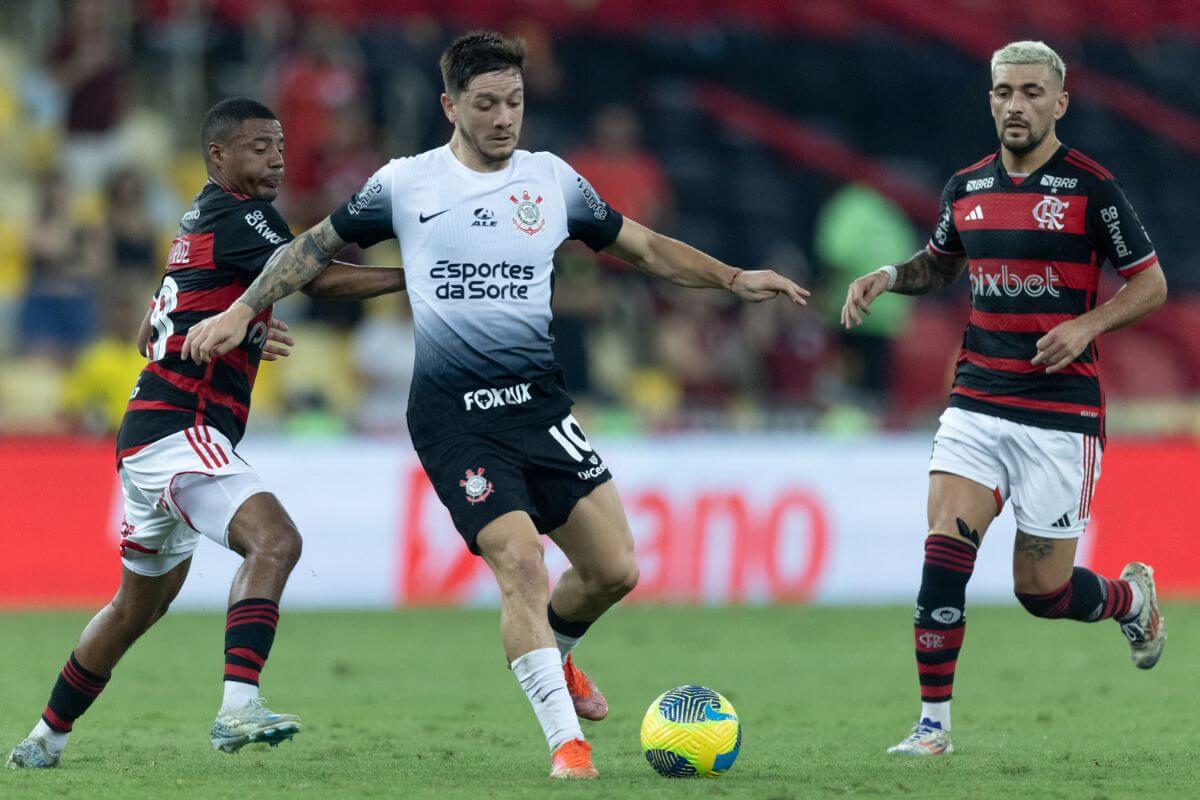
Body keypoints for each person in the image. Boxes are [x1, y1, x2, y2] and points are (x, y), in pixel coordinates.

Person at [180, 32, 809, 780]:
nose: (505, 116)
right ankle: (565, 747)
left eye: (514, 101)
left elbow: (642, 247)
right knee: (520, 561)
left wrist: (734, 279)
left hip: (539, 407)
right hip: (454, 417)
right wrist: (242, 310)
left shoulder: (553, 181)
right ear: (450, 106)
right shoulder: (405, 183)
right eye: (486, 103)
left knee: (615, 570)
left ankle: (558, 656)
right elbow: (309, 250)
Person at [6, 97, 406, 769]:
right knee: (276, 541)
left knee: (136, 609)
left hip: (148, 435)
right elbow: (319, 280)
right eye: (257, 146)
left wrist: (242, 323)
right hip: (179, 428)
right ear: (218, 155)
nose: (276, 155)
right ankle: (238, 706)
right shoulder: (243, 215)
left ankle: (46, 736)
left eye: (279, 144)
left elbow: (147, 333)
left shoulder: (198, 220)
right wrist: (419, 279)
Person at [840, 41, 1168, 757]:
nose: (1013, 105)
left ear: (1058, 103)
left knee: (1041, 592)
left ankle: (1129, 599)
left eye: (1028, 92)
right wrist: (890, 276)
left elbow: (1151, 284)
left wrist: (1086, 323)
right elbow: (942, 262)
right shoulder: (967, 188)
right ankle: (933, 726)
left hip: (1061, 413)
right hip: (978, 400)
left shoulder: (1092, 189)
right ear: (989, 99)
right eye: (1001, 92)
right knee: (942, 553)